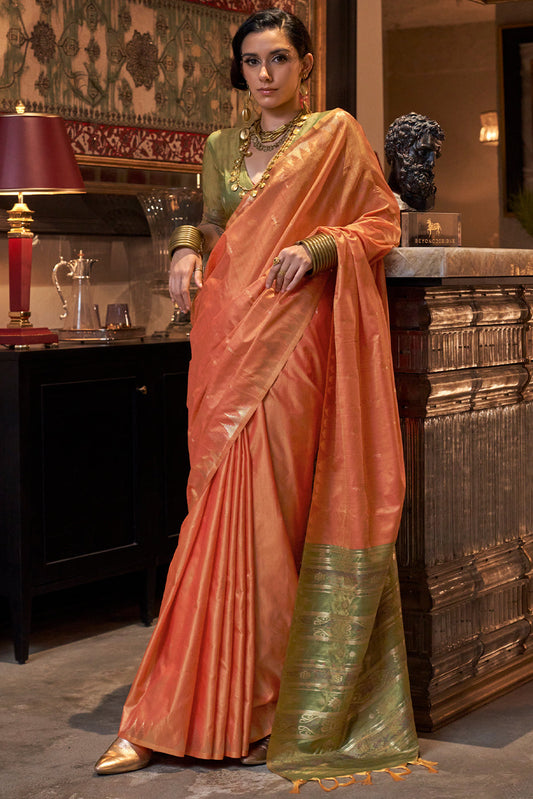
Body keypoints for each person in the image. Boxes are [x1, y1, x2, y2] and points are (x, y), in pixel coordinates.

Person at [95, 8, 432, 791]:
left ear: (304, 63)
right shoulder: (220, 146)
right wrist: (184, 250)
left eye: (278, 58)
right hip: (226, 336)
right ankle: (167, 712)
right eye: (251, 61)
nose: (264, 75)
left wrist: (318, 247)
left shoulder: (335, 135)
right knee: (213, 516)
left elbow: (380, 219)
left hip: (296, 341)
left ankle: (269, 710)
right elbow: (211, 221)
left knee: (273, 514)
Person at [385, 111, 445, 211]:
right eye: (423, 152)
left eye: (435, 155)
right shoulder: (378, 204)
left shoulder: (425, 203)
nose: (432, 163)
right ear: (399, 149)